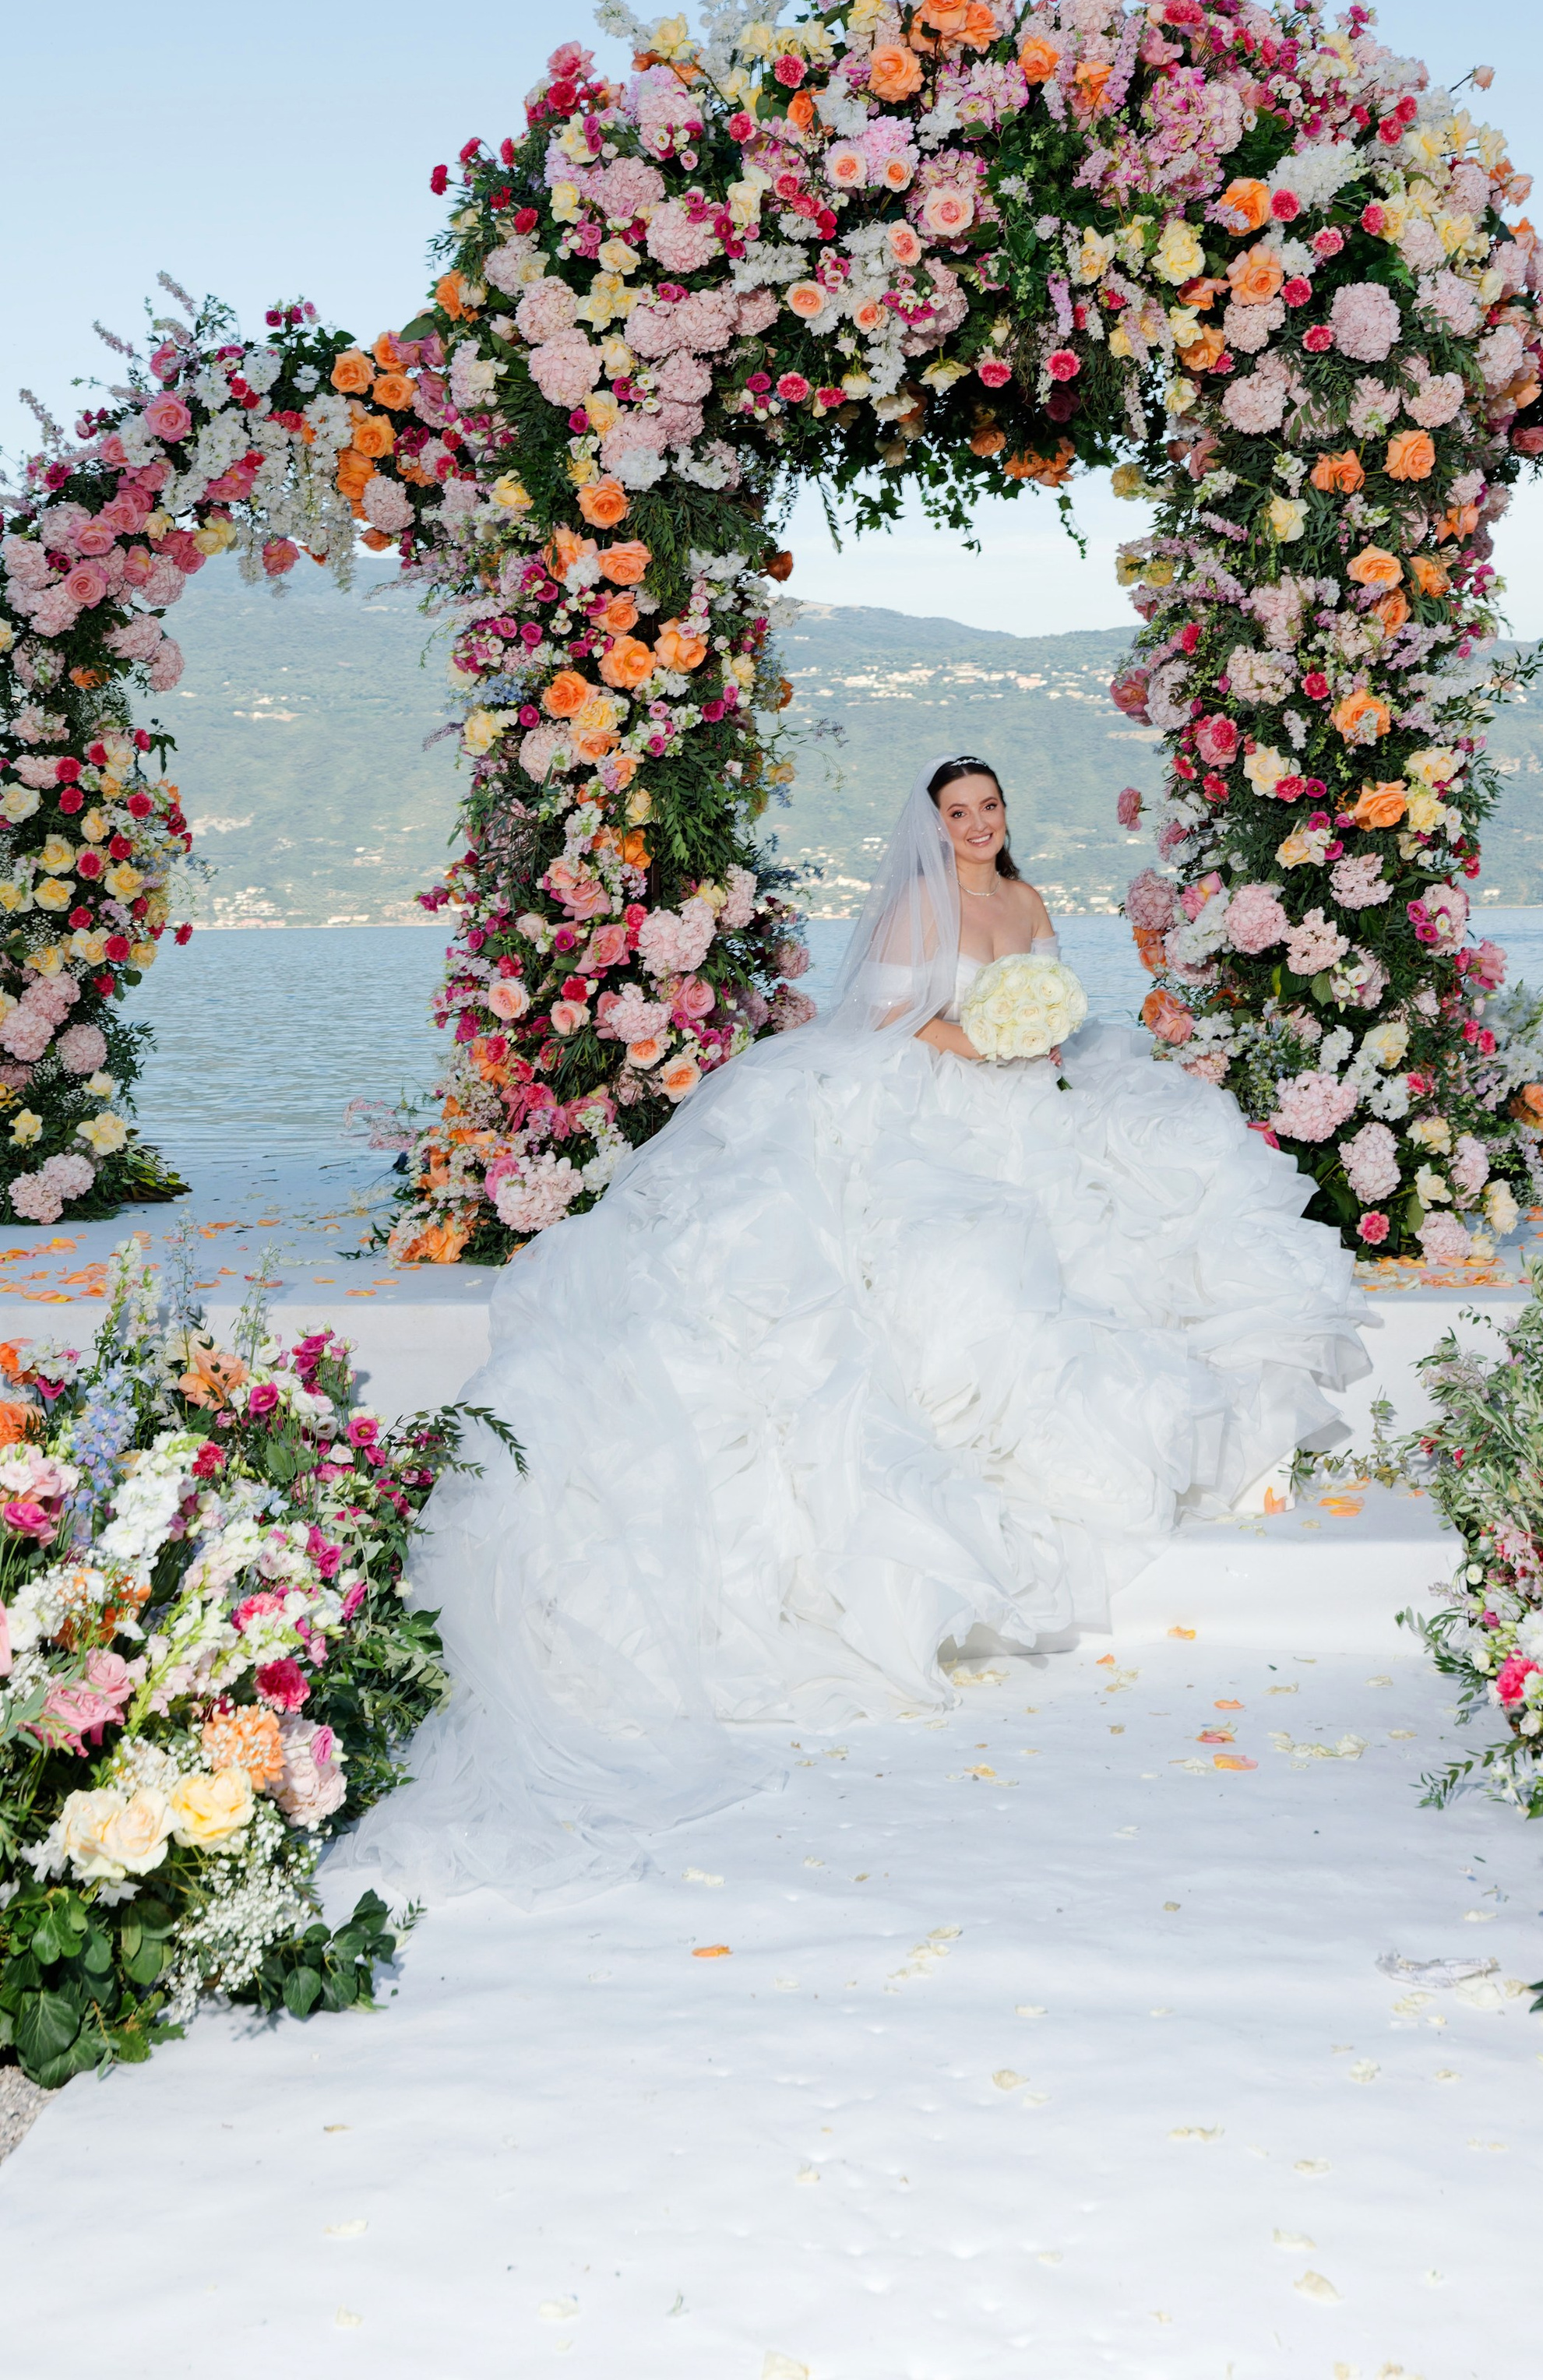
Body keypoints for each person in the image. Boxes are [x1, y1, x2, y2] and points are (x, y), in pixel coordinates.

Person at [340, 756, 1372, 1899]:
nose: (978, 825)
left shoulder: (1028, 904)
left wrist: (1037, 1045)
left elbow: (1050, 1005)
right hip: (931, 1101)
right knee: (954, 1263)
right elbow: (885, 1017)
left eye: (990, 808)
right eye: (959, 812)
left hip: (1026, 1097)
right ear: (934, 826)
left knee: (1143, 1208)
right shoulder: (925, 905)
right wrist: (982, 1046)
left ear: (1006, 815)